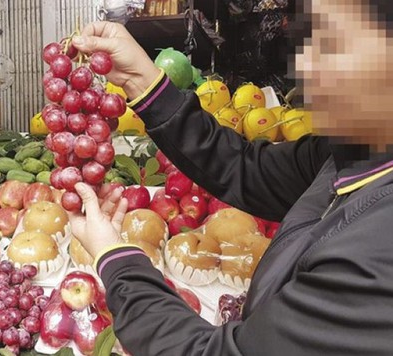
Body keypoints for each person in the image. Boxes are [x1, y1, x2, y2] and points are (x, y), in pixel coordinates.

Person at [67, 0, 393, 355]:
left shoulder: (378, 253)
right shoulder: (357, 152)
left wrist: (117, 259)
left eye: (334, 45)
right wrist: (141, 80)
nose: (305, 65)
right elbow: (248, 169)